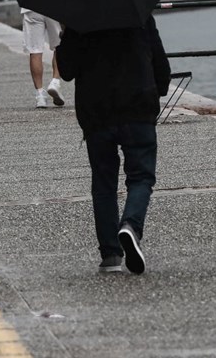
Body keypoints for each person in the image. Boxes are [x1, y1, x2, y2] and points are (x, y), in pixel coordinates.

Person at [56, 15, 170, 275]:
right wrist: (158, 88)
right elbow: (161, 65)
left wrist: (65, 35)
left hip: (97, 112)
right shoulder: (139, 14)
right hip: (137, 106)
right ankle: (130, 225)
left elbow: (66, 70)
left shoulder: (80, 19)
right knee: (141, 176)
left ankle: (110, 254)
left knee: (103, 181)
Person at [22, 8, 65, 108]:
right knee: (59, 46)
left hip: (31, 7)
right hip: (54, 6)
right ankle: (55, 82)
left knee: (35, 50)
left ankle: (40, 95)